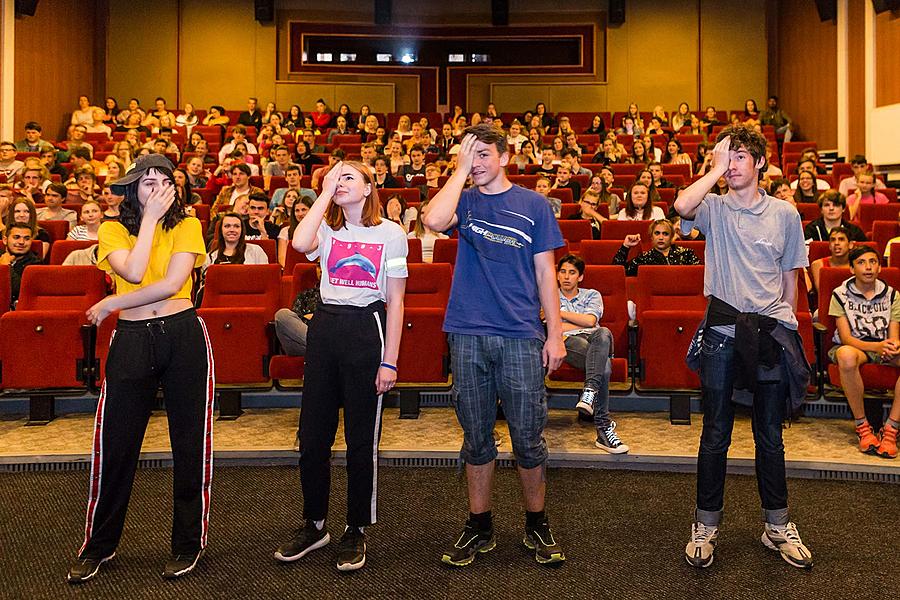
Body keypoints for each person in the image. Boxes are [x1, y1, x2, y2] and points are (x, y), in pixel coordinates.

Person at [422, 124, 566, 567]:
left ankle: (536, 524)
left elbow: (546, 274)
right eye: (470, 155)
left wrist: (556, 333)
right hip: (467, 330)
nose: (478, 162)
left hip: (521, 333)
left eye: (484, 154)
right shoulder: (462, 201)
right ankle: (479, 526)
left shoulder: (534, 204)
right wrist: (460, 170)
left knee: (528, 437)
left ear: (504, 156)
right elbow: (432, 220)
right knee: (476, 438)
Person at [67, 154, 212, 583]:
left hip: (182, 334)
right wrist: (147, 220)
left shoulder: (189, 225)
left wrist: (112, 302)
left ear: (175, 188)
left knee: (190, 446)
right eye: (146, 182)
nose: (156, 189)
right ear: (132, 189)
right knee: (116, 446)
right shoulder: (113, 228)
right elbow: (131, 269)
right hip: (131, 339)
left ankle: (188, 545)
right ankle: (99, 545)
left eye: (163, 181)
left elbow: (170, 283)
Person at [674, 125, 812, 570]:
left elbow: (791, 276)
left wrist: (785, 325)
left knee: (769, 437)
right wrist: (714, 169)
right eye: (724, 157)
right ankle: (705, 525)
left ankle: (777, 526)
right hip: (721, 334)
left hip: (768, 334)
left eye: (737, 158)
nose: (730, 165)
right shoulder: (712, 207)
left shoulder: (785, 214)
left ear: (759, 164)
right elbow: (681, 205)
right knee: (715, 434)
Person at [274, 160, 407, 572]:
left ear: (369, 188)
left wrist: (390, 362)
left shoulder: (391, 234)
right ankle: (315, 524)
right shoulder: (327, 229)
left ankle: (356, 528)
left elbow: (397, 302)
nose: (340, 181)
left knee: (359, 441)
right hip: (326, 327)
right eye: (335, 176)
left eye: (349, 177)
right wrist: (326, 191)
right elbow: (299, 242)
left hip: (367, 329)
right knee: (313, 437)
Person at [828, 245, 900, 459]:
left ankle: (891, 430)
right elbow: (847, 338)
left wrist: (892, 346)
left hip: (882, 346)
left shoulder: (892, 295)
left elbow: (893, 333)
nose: (868, 267)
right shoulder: (839, 294)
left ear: (880, 267)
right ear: (851, 268)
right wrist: (876, 347)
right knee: (846, 355)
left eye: (873, 262)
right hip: (853, 346)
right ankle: (863, 427)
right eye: (861, 262)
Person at [556, 254, 628, 453]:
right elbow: (552, 327)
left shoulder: (592, 294)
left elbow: (590, 322)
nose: (566, 277)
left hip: (596, 339)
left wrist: (558, 314)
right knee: (603, 365)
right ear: (557, 274)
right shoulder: (548, 295)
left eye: (572, 272)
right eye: (562, 272)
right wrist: (565, 322)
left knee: (603, 332)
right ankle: (603, 428)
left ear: (580, 277)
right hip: (567, 343)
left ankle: (589, 393)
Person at [612, 219, 700, 276]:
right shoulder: (644, 258)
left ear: (672, 237)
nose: (661, 237)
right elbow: (618, 273)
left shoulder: (686, 253)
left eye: (665, 234)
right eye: (657, 233)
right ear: (651, 236)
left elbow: (698, 276)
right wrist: (625, 246)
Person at [0, 223, 41, 309]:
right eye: (16, 237)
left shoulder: (36, 265)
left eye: (26, 238)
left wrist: (6, 267)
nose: (21, 242)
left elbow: (18, 291)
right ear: (5, 240)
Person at [808, 226, 852, 294]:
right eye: (833, 240)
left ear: (850, 245)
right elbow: (822, 293)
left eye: (841, 239)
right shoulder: (818, 265)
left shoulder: (857, 264)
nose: (836, 243)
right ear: (829, 246)